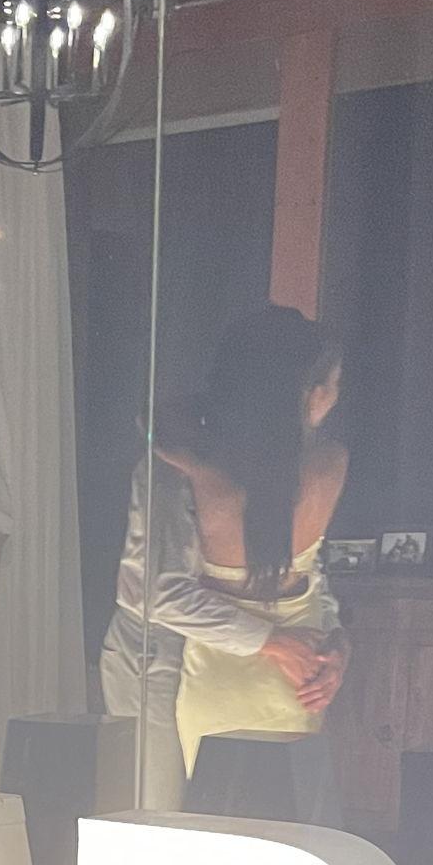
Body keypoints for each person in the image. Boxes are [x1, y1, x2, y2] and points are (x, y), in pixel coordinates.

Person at [97, 306, 350, 799]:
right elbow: (150, 593)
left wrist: (334, 646)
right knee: (158, 812)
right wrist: (270, 639)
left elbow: (308, 573)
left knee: (252, 807)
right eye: (333, 384)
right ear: (308, 393)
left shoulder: (300, 467)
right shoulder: (177, 463)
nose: (334, 397)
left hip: (250, 669)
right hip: (159, 660)